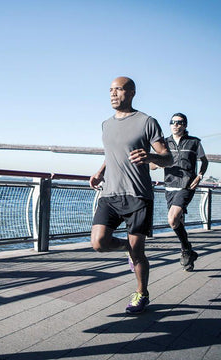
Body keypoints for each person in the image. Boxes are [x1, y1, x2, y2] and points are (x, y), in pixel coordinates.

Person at [89, 76, 173, 315]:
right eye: (110, 90)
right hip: (110, 193)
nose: (113, 94)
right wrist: (99, 172)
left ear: (132, 92)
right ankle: (129, 248)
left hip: (138, 195)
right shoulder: (106, 124)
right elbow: (113, 153)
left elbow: (168, 157)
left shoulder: (147, 122)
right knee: (99, 242)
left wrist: (150, 157)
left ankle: (141, 293)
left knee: (139, 253)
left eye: (119, 89)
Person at [150, 113, 208, 271]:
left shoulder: (194, 142)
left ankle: (185, 249)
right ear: (170, 125)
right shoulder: (163, 143)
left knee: (172, 218)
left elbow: (204, 161)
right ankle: (188, 253)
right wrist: (158, 163)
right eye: (173, 122)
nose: (176, 125)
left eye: (180, 122)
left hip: (186, 185)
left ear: (185, 125)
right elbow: (152, 165)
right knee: (178, 222)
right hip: (169, 186)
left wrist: (200, 175)